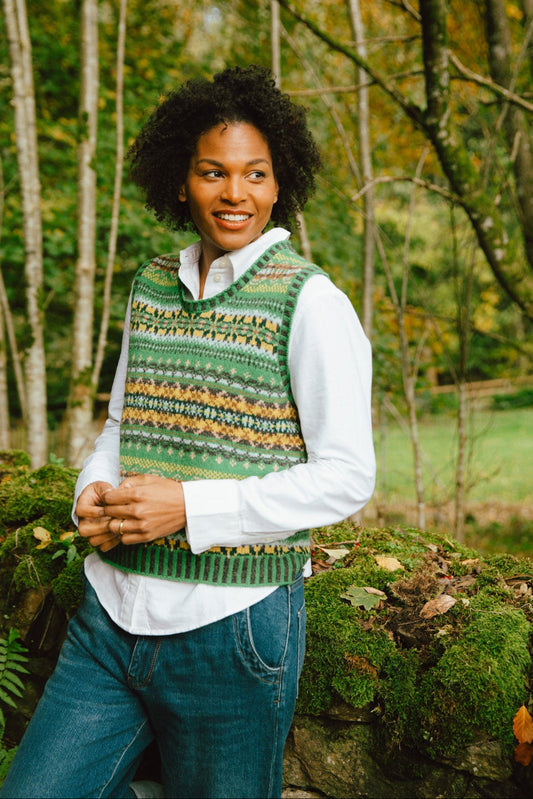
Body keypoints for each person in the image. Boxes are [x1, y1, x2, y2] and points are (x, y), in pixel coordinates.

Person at [0, 65, 375, 799]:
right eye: (213, 171)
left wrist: (189, 507)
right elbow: (119, 423)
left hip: (233, 632)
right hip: (109, 617)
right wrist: (92, 493)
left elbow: (345, 476)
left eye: (254, 174)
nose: (234, 192)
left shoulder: (310, 302)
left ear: (277, 186)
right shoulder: (150, 288)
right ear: (181, 180)